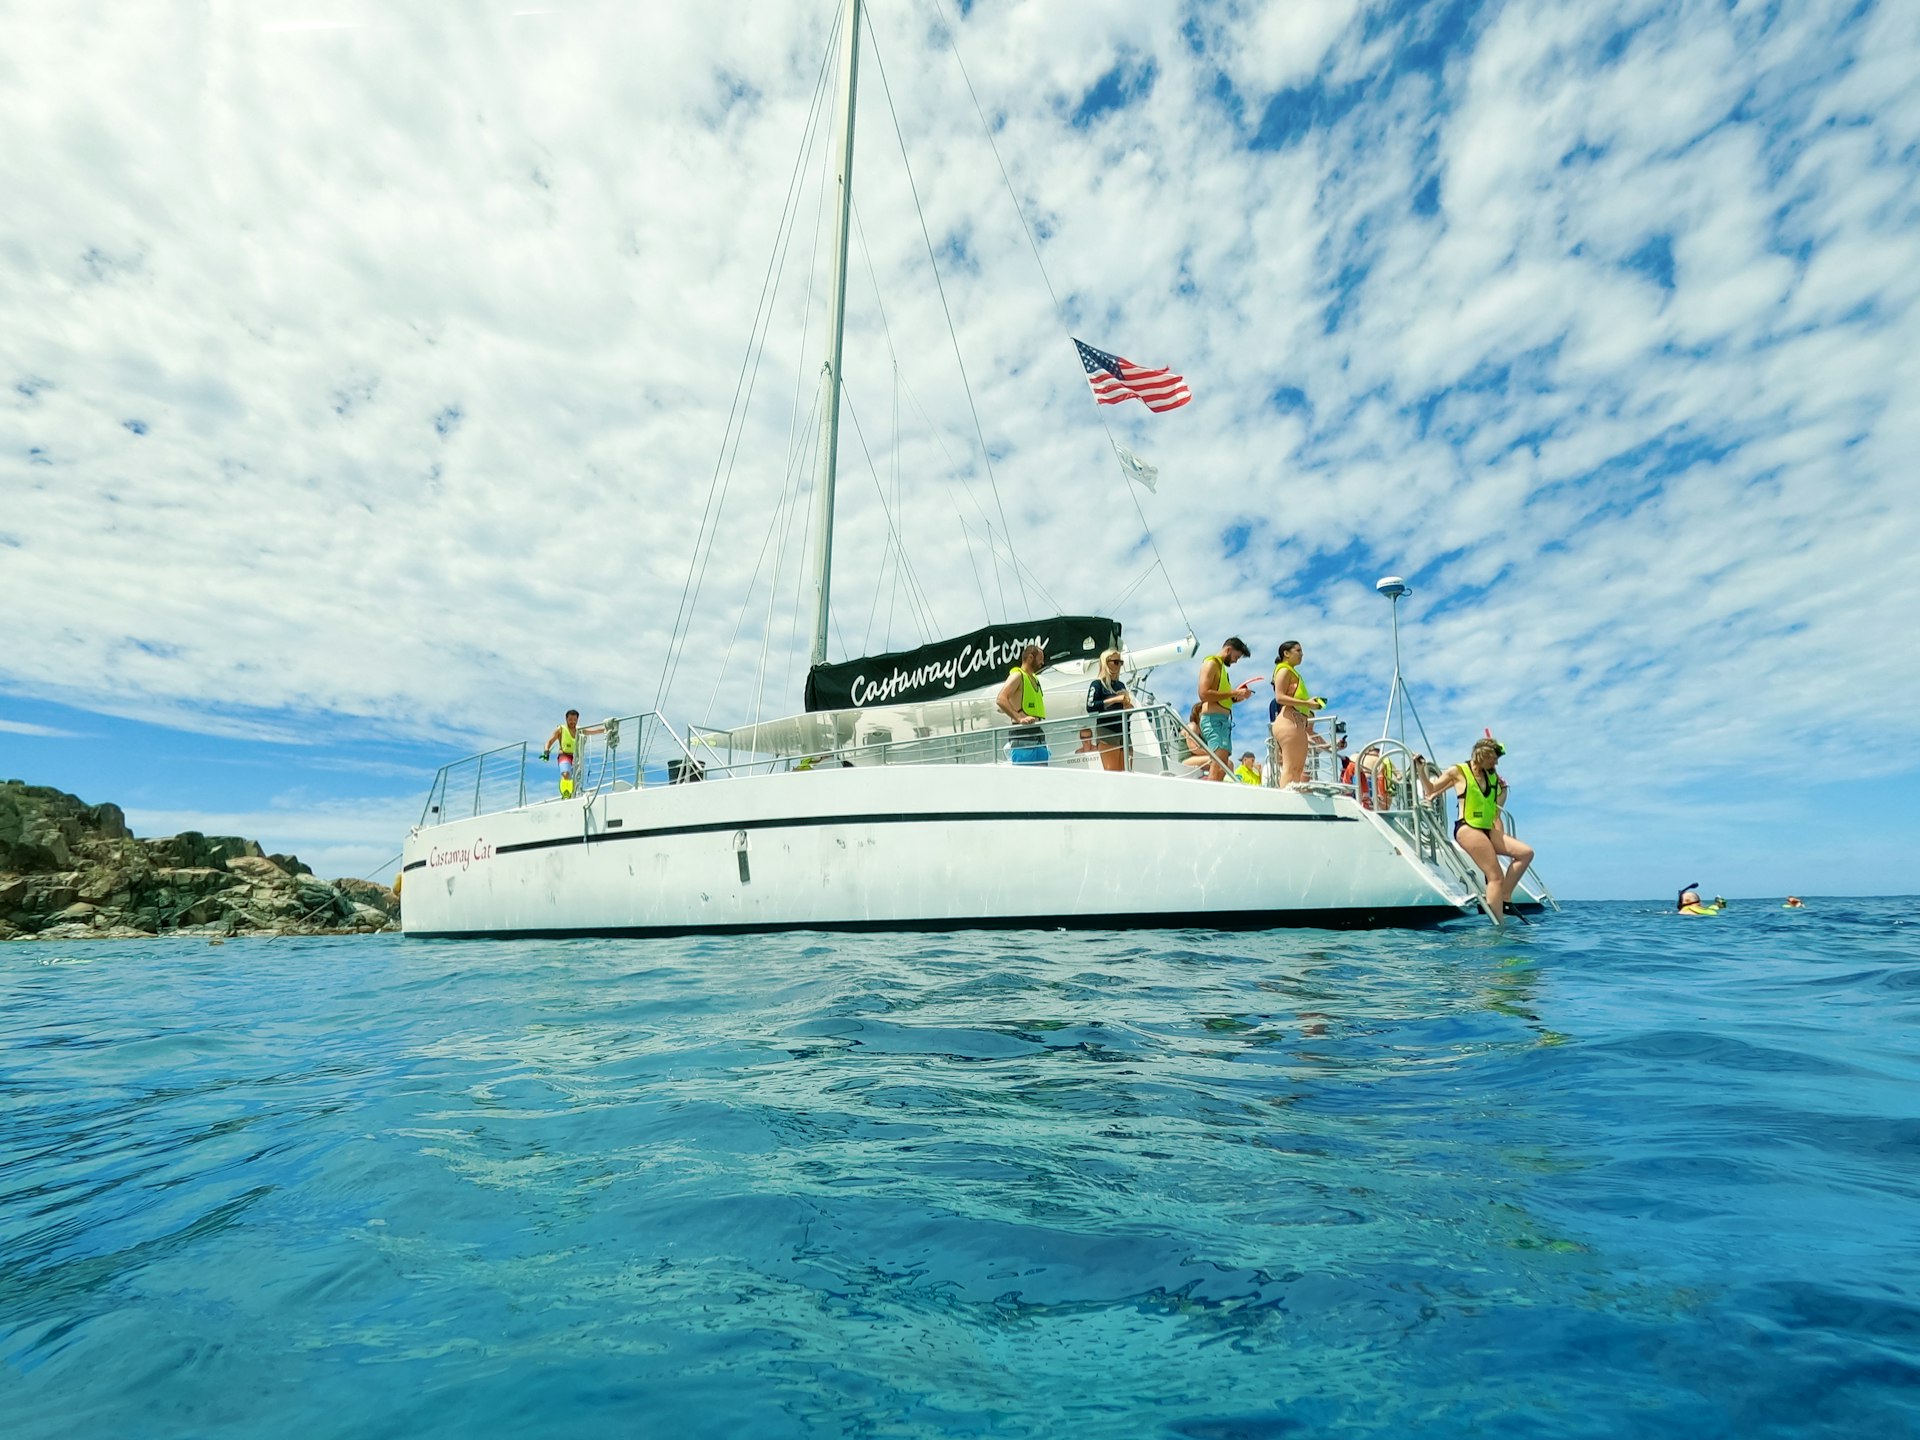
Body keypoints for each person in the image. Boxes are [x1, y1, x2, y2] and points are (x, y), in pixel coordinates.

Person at [1416, 735, 1534, 924]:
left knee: (1526, 853)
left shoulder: (1493, 776)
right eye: (1493, 759)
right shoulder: (1459, 771)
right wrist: (1421, 770)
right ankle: (1498, 926)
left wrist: (1502, 791)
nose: (1495, 763)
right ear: (1482, 756)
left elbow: (1496, 809)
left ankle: (1505, 898)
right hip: (1467, 828)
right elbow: (1431, 789)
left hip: (1487, 828)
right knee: (1495, 876)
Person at [1197, 637, 1254, 782]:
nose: (1235, 661)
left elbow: (1218, 697)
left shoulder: (1220, 667)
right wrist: (1234, 693)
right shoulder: (1211, 663)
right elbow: (1203, 694)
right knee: (1218, 767)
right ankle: (1209, 803)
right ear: (1228, 650)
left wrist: (1235, 698)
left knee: (1222, 769)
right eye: (1236, 657)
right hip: (1215, 721)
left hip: (1222, 722)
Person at [1268, 641, 1325, 786]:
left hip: (1298, 723)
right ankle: (1284, 802)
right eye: (1298, 650)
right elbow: (1279, 697)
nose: (1301, 654)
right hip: (1288, 721)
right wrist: (1308, 704)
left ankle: (1291, 800)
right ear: (1286, 653)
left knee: (1298, 769)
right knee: (1291, 767)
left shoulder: (1292, 672)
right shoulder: (1283, 670)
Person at [996, 642, 1049, 764]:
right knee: (1025, 779)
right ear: (1030, 657)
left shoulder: (1034, 678)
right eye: (1040, 659)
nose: (1042, 663)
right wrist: (1018, 717)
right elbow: (1001, 699)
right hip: (1022, 735)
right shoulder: (1017, 675)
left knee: (1043, 777)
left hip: (1038, 734)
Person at [1086, 648, 1135, 772]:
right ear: (1105, 662)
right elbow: (1090, 706)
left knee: (1127, 772)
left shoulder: (1121, 685)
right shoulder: (1097, 684)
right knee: (1112, 772)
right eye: (1116, 662)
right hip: (1107, 731)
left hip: (1124, 732)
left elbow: (1126, 712)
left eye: (1121, 662)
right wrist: (1115, 699)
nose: (1119, 665)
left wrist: (1128, 707)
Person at [541, 709, 603, 799]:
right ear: (566, 719)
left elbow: (593, 731)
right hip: (564, 755)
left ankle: (572, 794)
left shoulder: (579, 730)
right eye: (570, 719)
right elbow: (549, 741)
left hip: (576, 758)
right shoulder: (560, 729)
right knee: (566, 774)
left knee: (575, 779)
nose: (572, 722)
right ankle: (566, 793)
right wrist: (546, 751)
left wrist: (606, 729)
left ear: (577, 720)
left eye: (574, 720)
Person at [1180, 702, 1223, 777]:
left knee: (1228, 763)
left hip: (1195, 759)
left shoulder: (1204, 733)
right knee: (1218, 761)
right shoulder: (1192, 726)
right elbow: (1194, 748)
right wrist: (1214, 754)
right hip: (1185, 761)